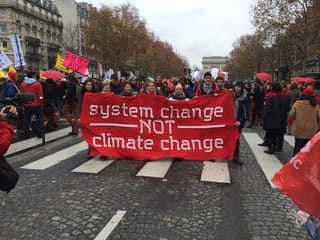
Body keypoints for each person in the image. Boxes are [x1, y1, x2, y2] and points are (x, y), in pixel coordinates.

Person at [288, 87, 320, 155]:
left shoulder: (298, 103)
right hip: (311, 129)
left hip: (299, 128)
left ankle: (295, 159)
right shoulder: (315, 105)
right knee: (308, 147)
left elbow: (291, 115)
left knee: (297, 145)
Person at [20, 71, 44, 139]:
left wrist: (23, 103)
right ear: (33, 76)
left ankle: (27, 134)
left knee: (27, 121)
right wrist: (41, 101)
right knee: (38, 119)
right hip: (36, 104)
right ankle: (39, 134)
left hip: (27, 105)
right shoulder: (37, 84)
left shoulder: (22, 84)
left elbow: (21, 95)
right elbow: (40, 95)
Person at [233, 80, 249, 165]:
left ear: (242, 88)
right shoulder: (231, 95)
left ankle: (236, 156)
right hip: (230, 121)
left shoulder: (245, 98)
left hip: (238, 122)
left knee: (236, 139)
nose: (237, 88)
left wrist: (241, 120)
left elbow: (246, 111)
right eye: (236, 86)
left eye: (239, 87)